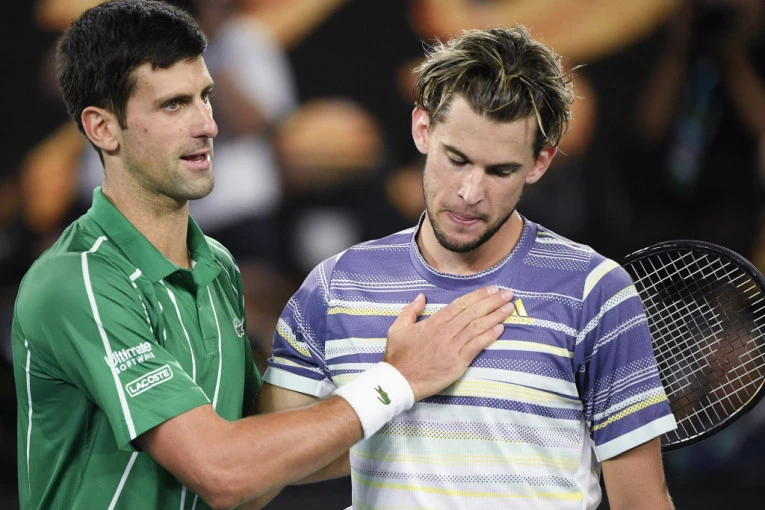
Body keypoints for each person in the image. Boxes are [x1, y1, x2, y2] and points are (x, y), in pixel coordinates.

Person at [10, 2, 516, 509]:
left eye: (205, 98)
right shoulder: (78, 279)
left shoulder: (215, 266)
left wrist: (438, 423)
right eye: (173, 105)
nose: (207, 125)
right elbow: (223, 471)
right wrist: (396, 381)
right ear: (102, 128)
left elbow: (258, 465)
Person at [259, 26, 677, 509]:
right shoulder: (334, 286)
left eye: (500, 171)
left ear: (540, 163)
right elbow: (259, 467)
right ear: (423, 129)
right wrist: (391, 383)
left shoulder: (594, 290)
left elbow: (642, 501)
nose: (470, 193)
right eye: (455, 159)